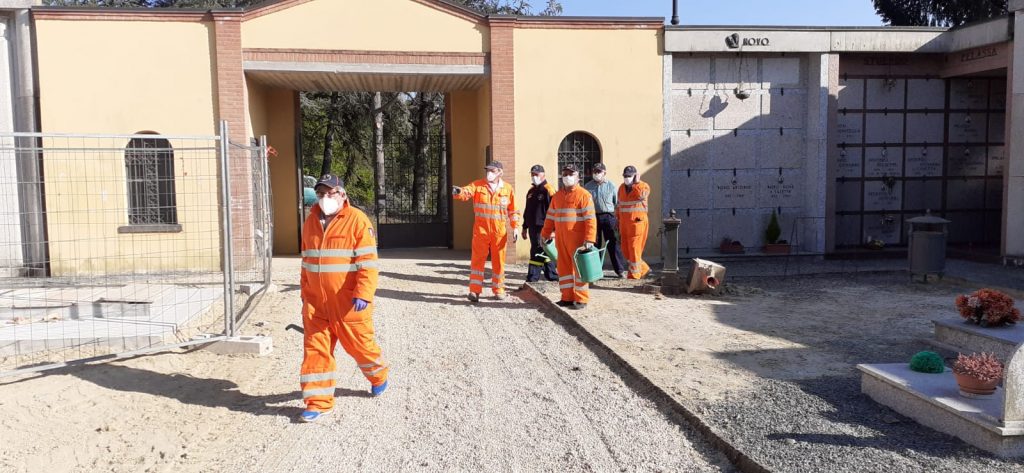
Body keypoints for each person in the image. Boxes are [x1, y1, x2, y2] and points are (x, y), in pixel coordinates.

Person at [298, 174, 388, 423]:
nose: (325, 198)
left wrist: (364, 294)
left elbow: (368, 264)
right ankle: (318, 402)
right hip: (317, 304)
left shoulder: (357, 220)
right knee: (315, 351)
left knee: (360, 347)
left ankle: (378, 375)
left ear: (342, 195)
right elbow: (306, 262)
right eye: (321, 194)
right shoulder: (310, 222)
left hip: (348, 303)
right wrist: (305, 294)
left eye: (330, 193)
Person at [453, 162, 521, 302]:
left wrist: (515, 226)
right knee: (477, 261)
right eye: (488, 170)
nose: (489, 173)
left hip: (499, 233)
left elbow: (513, 210)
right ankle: (474, 291)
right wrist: (459, 192)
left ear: (500, 172)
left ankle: (499, 289)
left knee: (499, 261)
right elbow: (467, 192)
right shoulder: (478, 185)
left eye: (492, 170)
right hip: (481, 231)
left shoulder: (507, 189)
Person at [541, 164, 597, 310]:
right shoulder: (558, 196)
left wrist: (590, 239)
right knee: (563, 268)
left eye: (571, 174)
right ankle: (567, 297)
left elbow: (591, 219)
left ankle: (581, 299)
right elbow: (550, 217)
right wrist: (545, 234)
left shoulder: (584, 195)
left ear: (578, 176)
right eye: (565, 173)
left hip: (578, 240)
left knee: (579, 270)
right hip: (561, 239)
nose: (568, 177)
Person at [583, 162, 627, 278]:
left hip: (608, 216)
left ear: (604, 173)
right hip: (593, 217)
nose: (596, 174)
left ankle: (620, 270)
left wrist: (617, 218)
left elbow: (616, 203)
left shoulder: (611, 186)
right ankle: (595, 270)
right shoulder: (587, 187)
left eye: (599, 171)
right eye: (595, 171)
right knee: (594, 244)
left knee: (613, 243)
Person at [522, 164, 558, 283]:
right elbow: (527, 211)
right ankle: (551, 275)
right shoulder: (531, 191)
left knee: (537, 250)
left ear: (543, 175)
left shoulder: (548, 189)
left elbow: (555, 211)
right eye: (532, 174)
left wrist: (553, 230)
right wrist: (524, 227)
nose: (534, 176)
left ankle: (532, 278)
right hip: (533, 226)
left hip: (544, 226)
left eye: (536, 174)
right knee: (543, 251)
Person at [617, 165, 651, 279]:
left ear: (635, 176)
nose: (627, 178)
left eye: (629, 176)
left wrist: (636, 183)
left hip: (637, 224)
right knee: (626, 251)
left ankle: (634, 275)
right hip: (624, 225)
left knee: (634, 249)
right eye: (625, 176)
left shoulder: (643, 186)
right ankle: (645, 269)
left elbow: (641, 196)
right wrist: (617, 220)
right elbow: (619, 205)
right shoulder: (621, 188)